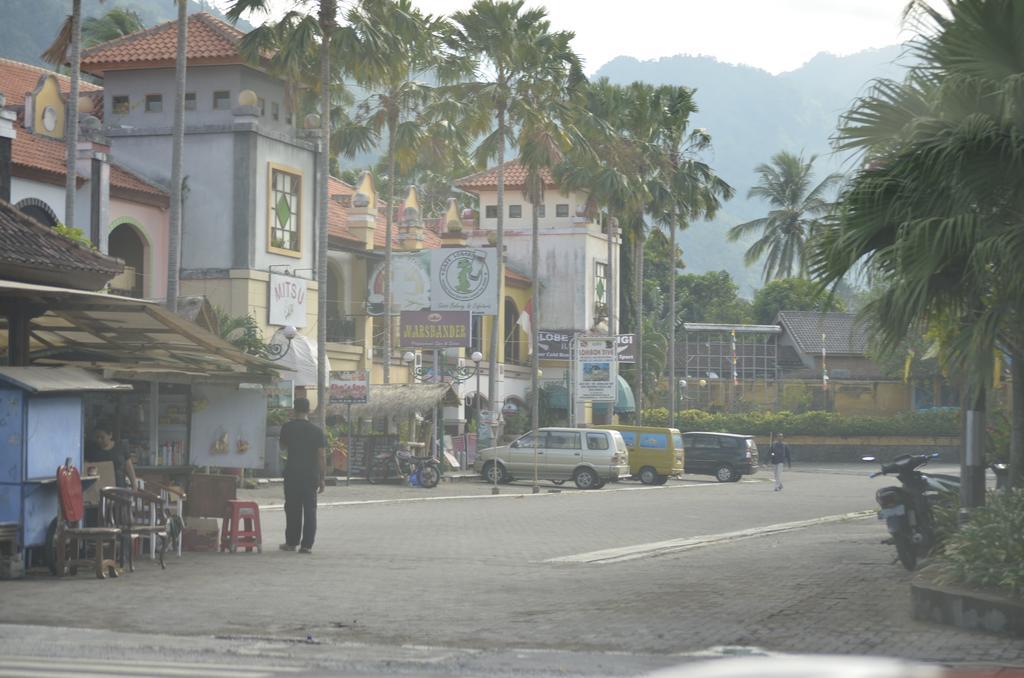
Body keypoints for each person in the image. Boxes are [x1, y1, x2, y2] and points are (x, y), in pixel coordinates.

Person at [278, 398, 326, 554]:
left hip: (292, 474)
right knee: (310, 510)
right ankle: (306, 546)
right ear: (309, 410)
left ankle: (291, 543)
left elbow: (283, 447)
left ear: (294, 410)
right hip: (310, 476)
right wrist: (322, 478)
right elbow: (321, 457)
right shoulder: (317, 431)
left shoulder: (287, 428)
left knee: (292, 509)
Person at [85, 421, 137, 489]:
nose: (99, 440)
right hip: (100, 489)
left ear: (110, 435)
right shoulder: (92, 450)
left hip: (120, 488)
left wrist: (134, 486)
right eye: (97, 437)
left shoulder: (121, 447)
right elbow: (86, 467)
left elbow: (129, 468)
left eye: (102, 437)